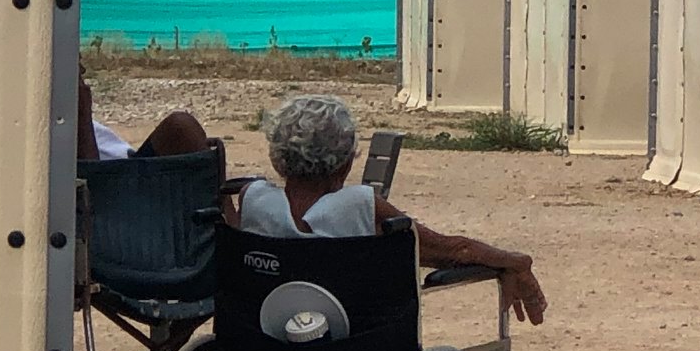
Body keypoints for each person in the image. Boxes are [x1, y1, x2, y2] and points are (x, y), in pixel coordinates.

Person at [234, 94, 548, 326]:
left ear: (278, 159)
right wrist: (514, 262)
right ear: (345, 162)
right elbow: (452, 251)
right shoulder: (359, 206)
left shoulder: (253, 199)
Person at [78, 69, 212, 161]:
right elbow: (89, 180)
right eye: (78, 66)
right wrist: (82, 114)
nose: (83, 70)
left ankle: (222, 200)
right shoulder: (69, 127)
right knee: (181, 126)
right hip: (115, 182)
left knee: (181, 126)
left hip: (126, 166)